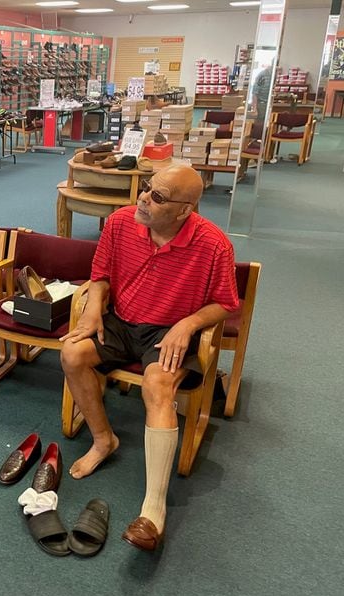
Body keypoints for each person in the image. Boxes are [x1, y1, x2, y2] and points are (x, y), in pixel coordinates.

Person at [59, 164, 239, 552]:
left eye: (157, 196)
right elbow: (101, 273)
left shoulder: (214, 245)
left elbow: (226, 303)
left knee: (157, 386)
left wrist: (189, 324)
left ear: (184, 210)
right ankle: (103, 440)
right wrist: (92, 307)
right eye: (146, 188)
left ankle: (153, 508)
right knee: (72, 352)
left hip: (168, 330)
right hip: (121, 321)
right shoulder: (122, 222)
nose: (143, 197)